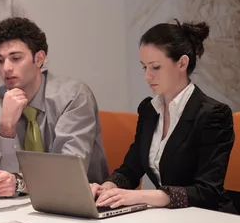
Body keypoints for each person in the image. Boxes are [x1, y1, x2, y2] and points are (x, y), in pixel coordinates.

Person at [92, 21, 236, 212]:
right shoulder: (149, 110)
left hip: (208, 219)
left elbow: (207, 192)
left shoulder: (213, 115)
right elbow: (131, 169)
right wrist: (107, 188)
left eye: (155, 67)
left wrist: (139, 196)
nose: (147, 76)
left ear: (182, 63)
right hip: (168, 218)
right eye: (144, 67)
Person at [0, 17, 109, 197]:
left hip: (80, 200)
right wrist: (6, 127)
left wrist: (19, 182)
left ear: (39, 58)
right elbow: (2, 186)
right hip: (15, 209)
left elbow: (69, 174)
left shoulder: (73, 96)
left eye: (15, 58)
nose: (6, 68)